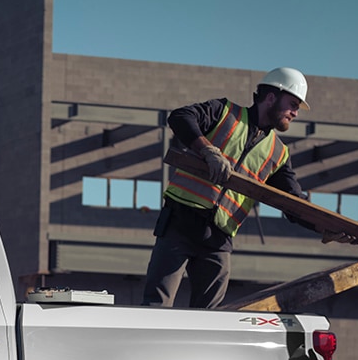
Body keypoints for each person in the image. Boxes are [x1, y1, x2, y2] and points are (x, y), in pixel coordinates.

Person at [144, 67, 335, 308]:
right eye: (293, 104)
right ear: (271, 97)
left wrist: (323, 227)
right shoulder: (223, 112)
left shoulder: (279, 153)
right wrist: (207, 150)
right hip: (179, 224)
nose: (295, 113)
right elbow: (180, 117)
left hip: (218, 240)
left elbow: (293, 203)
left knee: (210, 318)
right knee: (156, 307)